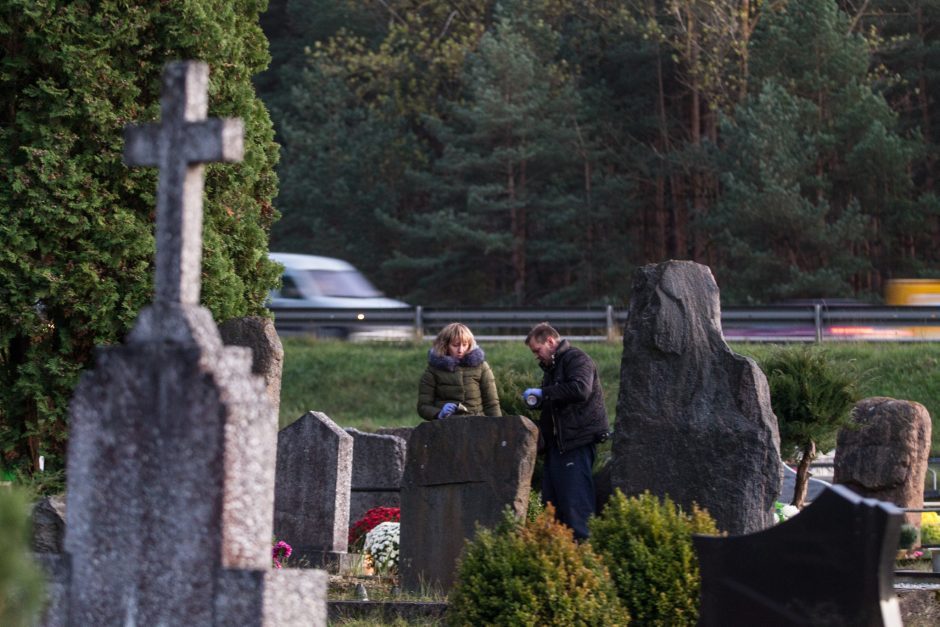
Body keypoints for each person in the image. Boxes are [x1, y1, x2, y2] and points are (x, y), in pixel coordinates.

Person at [522, 322, 610, 540]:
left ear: (550, 341)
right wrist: (540, 401)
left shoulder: (577, 359)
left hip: (575, 444)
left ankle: (584, 558)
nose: (536, 356)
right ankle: (559, 557)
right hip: (558, 448)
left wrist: (544, 393)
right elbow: (558, 399)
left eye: (537, 350)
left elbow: (580, 389)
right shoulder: (553, 368)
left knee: (575, 506)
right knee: (552, 506)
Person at [417, 322, 502, 420]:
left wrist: (497, 428)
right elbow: (423, 406)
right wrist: (439, 413)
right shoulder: (433, 370)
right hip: (446, 426)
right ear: (445, 345)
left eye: (465, 345)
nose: (461, 350)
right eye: (455, 345)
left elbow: (491, 403)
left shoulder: (482, 367)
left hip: (477, 425)